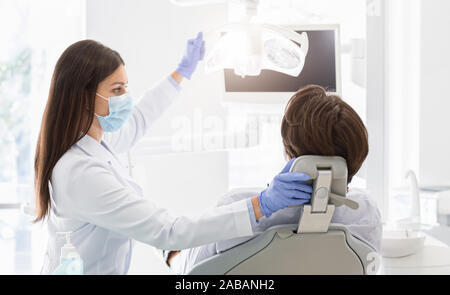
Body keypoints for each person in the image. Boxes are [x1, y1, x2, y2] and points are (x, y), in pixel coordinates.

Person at [35, 33, 314, 275]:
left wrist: (183, 71)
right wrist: (261, 204)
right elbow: (169, 232)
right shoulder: (80, 172)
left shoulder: (95, 141)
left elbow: (140, 117)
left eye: (126, 88)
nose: (125, 98)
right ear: (84, 97)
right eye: (117, 90)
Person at [166, 85, 383, 275]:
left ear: (289, 151)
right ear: (355, 156)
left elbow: (190, 272)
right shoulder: (365, 213)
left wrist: (172, 253)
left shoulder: (237, 207)